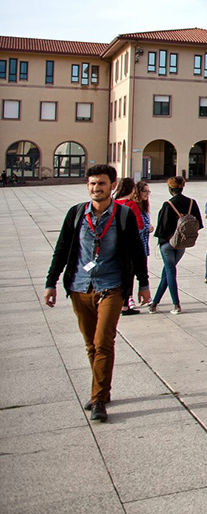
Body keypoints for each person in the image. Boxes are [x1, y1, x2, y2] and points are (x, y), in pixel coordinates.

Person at [43, 164, 150, 422]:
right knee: (91, 344)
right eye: (92, 184)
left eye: (101, 184)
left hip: (111, 286)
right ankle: (100, 388)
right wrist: (51, 282)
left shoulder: (123, 216)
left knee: (104, 342)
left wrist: (144, 284)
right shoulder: (77, 214)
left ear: (112, 186)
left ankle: (98, 399)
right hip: (80, 286)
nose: (96, 188)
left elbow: (137, 253)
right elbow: (62, 249)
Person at [151, 176, 201, 314]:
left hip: (168, 243)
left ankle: (176, 304)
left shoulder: (168, 204)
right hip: (182, 243)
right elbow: (199, 224)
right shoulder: (192, 203)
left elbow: (162, 228)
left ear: (170, 188)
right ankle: (154, 304)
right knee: (167, 272)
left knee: (170, 272)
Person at [113, 177, 145, 315]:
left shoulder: (113, 203)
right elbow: (140, 224)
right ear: (132, 190)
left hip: (114, 244)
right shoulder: (131, 205)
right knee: (129, 274)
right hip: (129, 246)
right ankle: (125, 305)